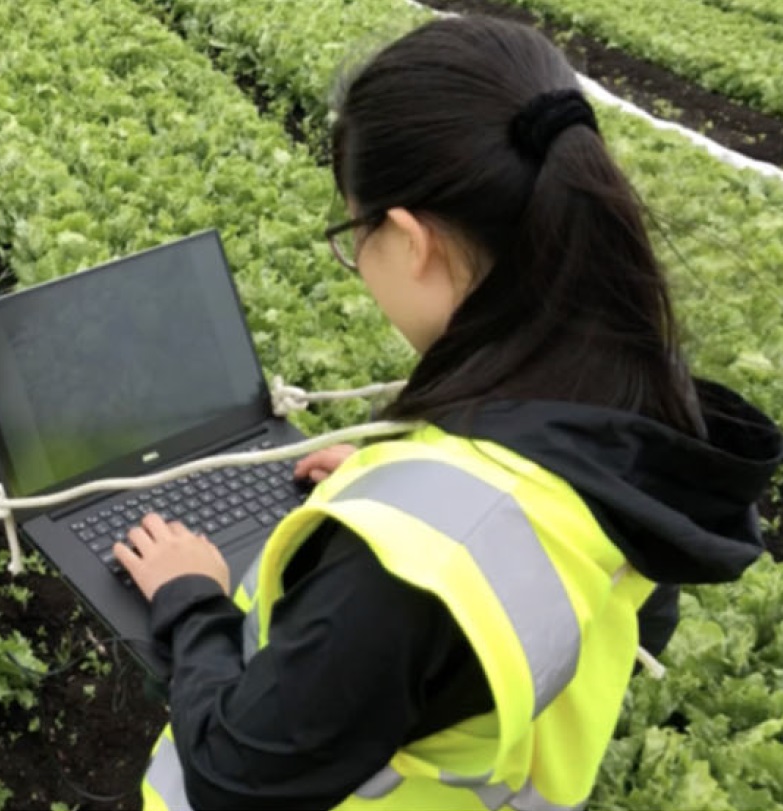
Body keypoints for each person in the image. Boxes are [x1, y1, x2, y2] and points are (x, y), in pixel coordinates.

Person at [110, 15, 782, 811]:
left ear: (408, 237)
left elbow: (233, 775)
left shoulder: (402, 575)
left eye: (349, 233)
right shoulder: (627, 409)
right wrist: (412, 482)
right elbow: (629, 614)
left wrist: (192, 598)